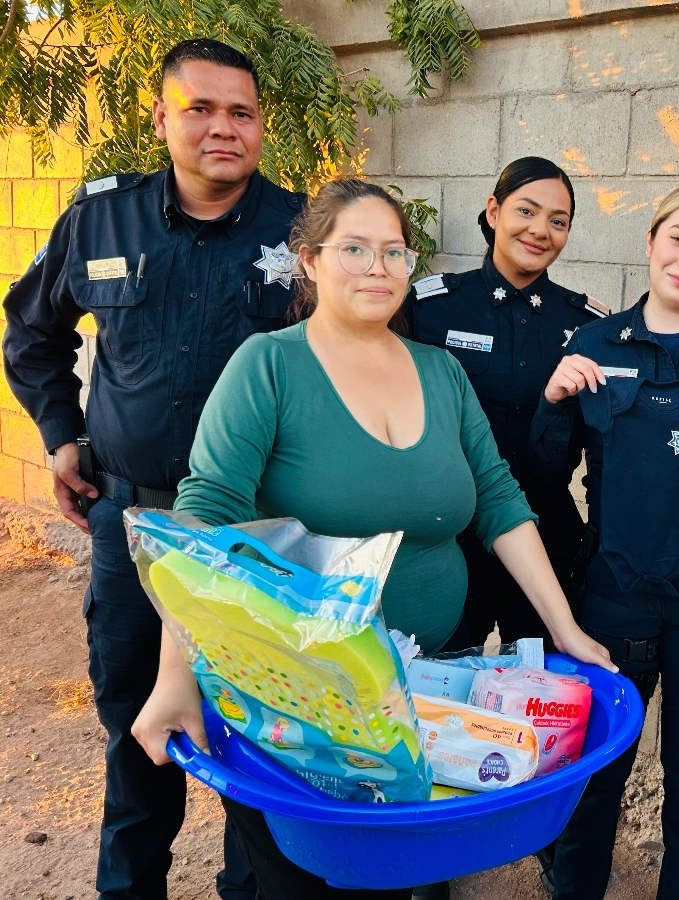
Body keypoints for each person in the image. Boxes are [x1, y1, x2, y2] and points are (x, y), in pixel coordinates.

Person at [129, 178, 616, 899]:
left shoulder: (440, 370)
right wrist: (175, 675)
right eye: (353, 248)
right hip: (296, 700)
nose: (378, 267)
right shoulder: (269, 366)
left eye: (393, 251)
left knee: (399, 875)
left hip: (421, 690)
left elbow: (500, 501)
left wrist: (565, 628)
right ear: (310, 261)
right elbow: (204, 522)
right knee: (303, 877)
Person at [2, 38, 305, 900]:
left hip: (258, 532)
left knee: (262, 733)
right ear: (161, 115)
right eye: (201, 109)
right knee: (138, 725)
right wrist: (62, 436)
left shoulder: (303, 231)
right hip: (131, 524)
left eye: (241, 113)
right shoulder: (100, 220)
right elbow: (32, 335)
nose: (223, 128)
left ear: (260, 126)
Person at [530, 182, 679, 900]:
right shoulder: (593, 345)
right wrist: (552, 400)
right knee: (596, 775)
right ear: (650, 242)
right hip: (614, 594)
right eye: (678, 239)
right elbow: (546, 475)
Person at [404, 156, 608, 649]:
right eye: (526, 211)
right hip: (449, 540)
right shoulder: (429, 309)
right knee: (440, 696)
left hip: (545, 540)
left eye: (558, 221)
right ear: (494, 211)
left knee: (542, 700)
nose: (540, 231)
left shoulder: (588, 326)